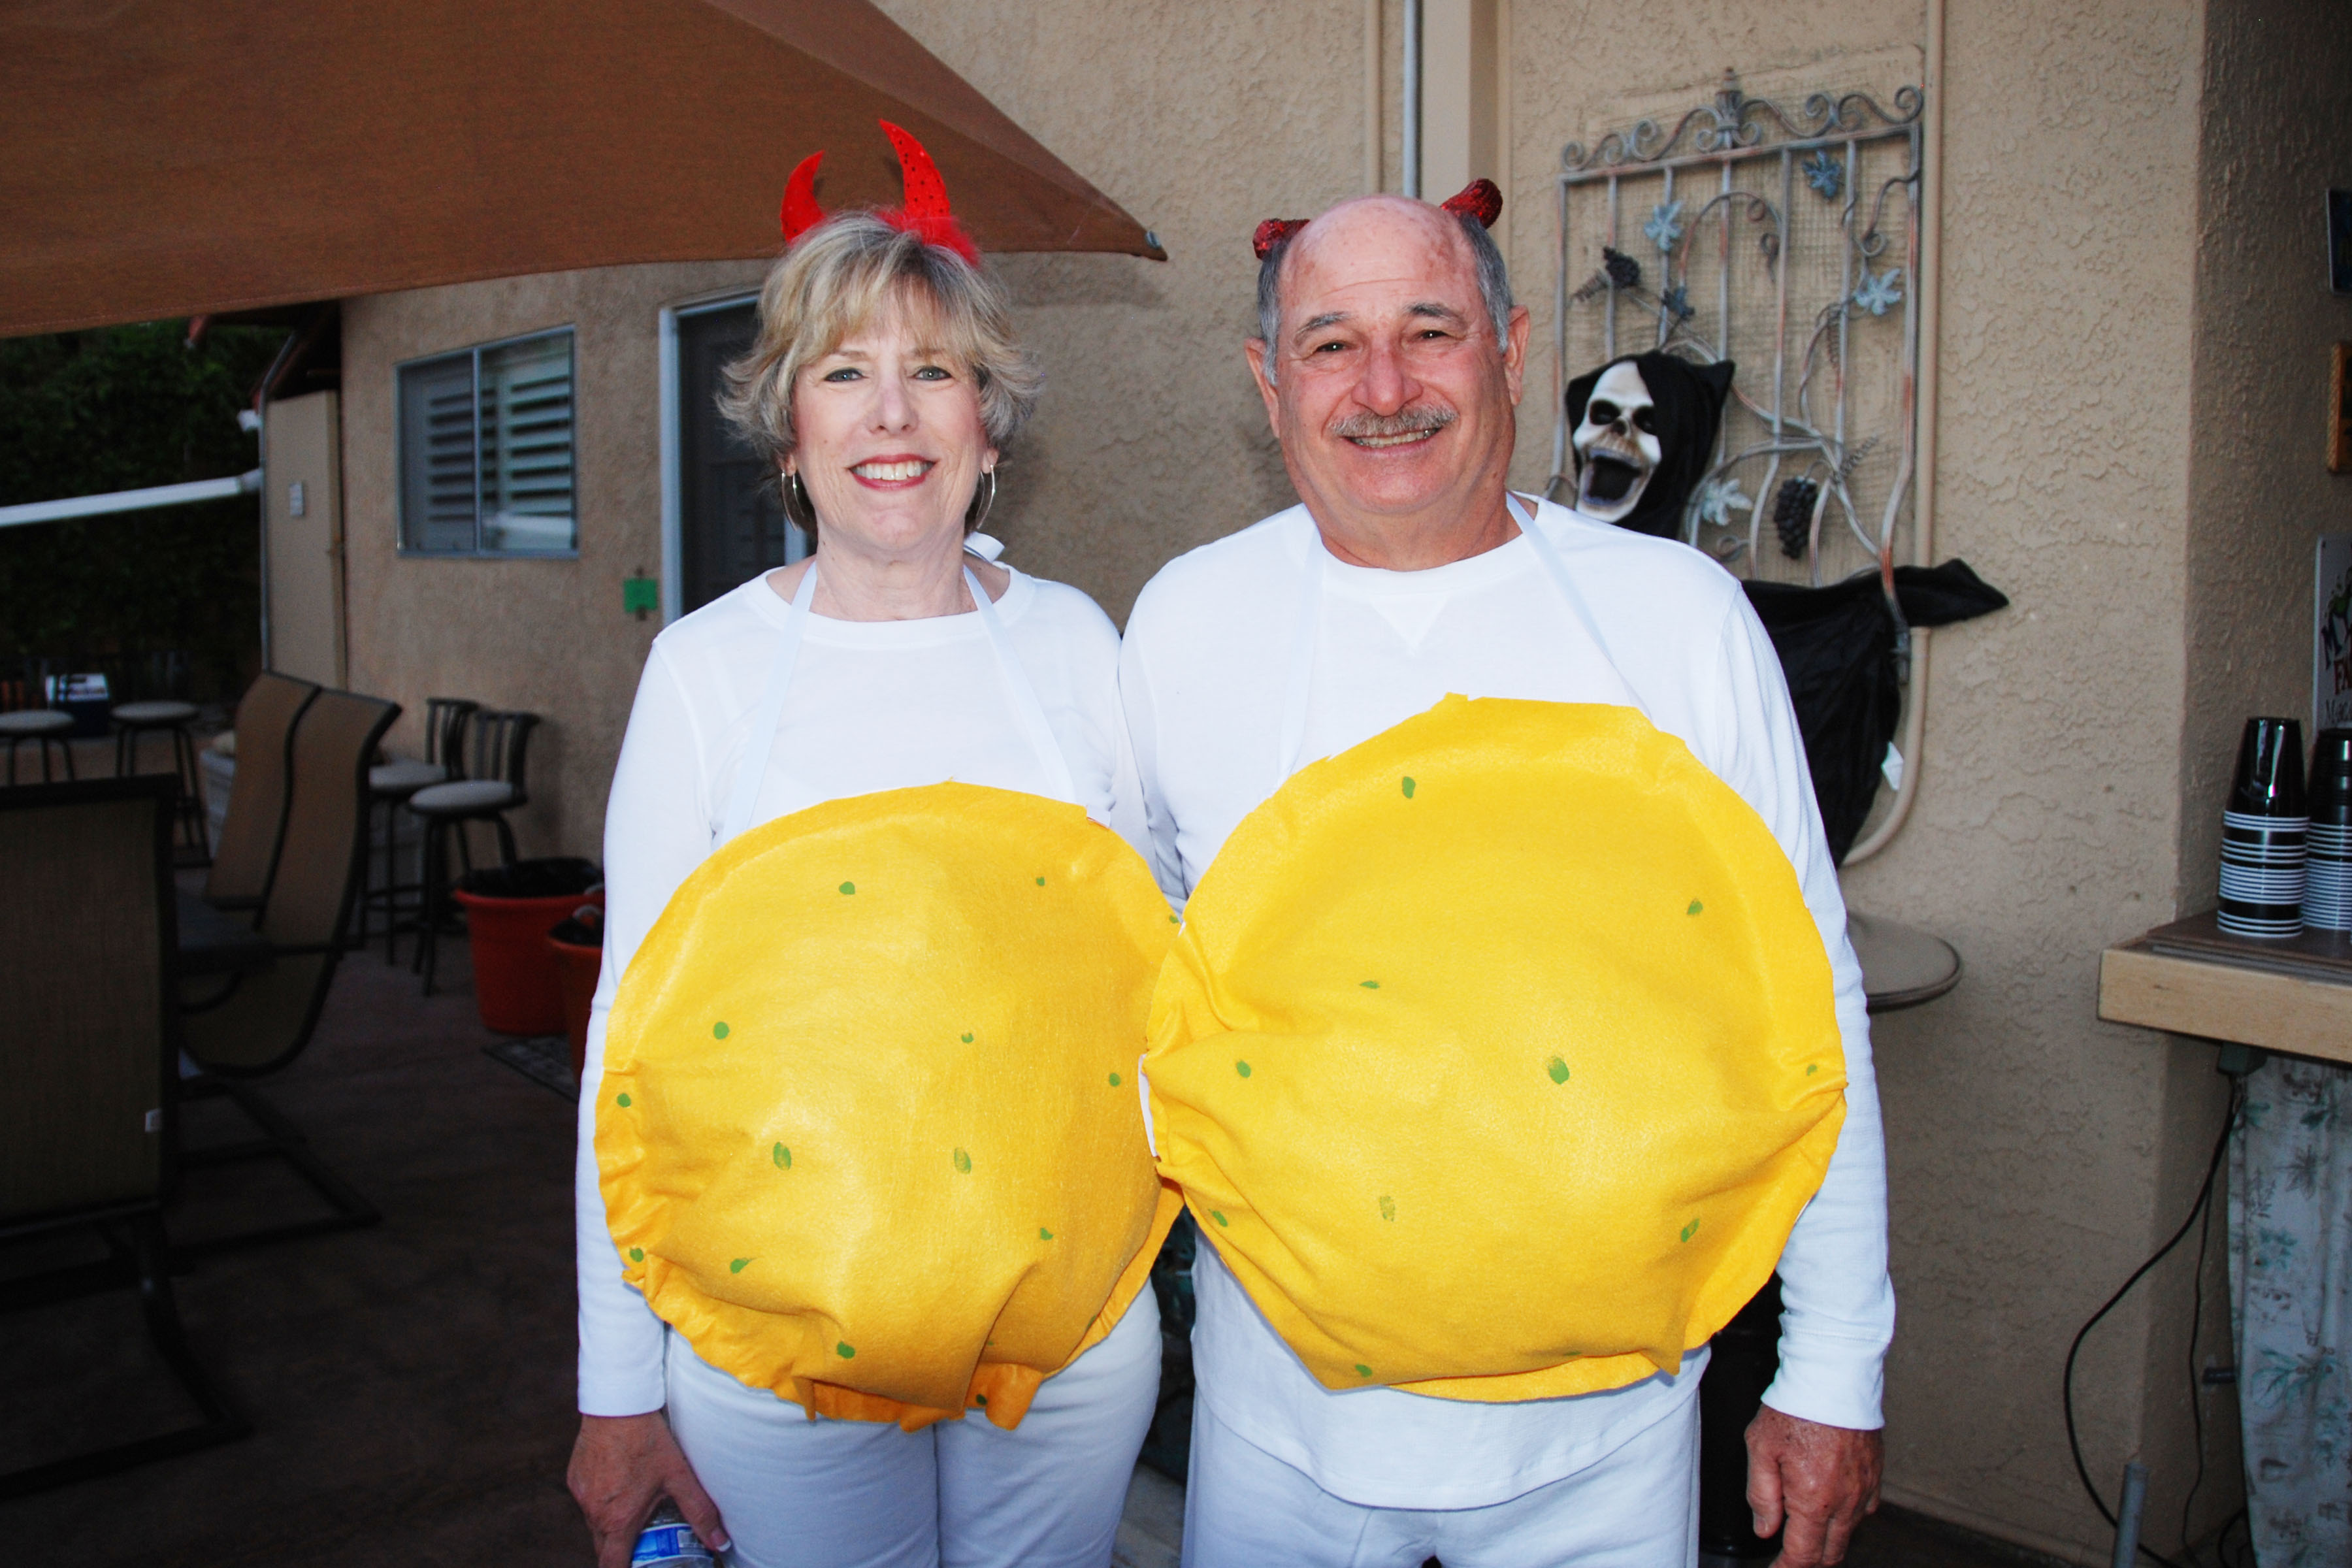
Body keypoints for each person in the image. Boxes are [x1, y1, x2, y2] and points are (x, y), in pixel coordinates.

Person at [1120, 187, 1892, 1567]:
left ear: (1514, 348)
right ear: (1267, 381)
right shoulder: (1185, 623)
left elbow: (1809, 1000)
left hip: (1607, 1442)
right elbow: (1147, 989)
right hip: (1277, 1438)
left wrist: (1834, 1367)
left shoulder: (1679, 622)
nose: (1387, 388)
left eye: (1432, 330)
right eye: (1331, 344)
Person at [568, 130, 1164, 1568]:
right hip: (779, 1348)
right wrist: (616, 1389)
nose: (890, 414)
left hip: (1067, 1339)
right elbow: (624, 1044)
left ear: (990, 423)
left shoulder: (1079, 643)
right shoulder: (707, 672)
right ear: (790, 432)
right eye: (844, 372)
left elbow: (1156, 975)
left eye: (933, 371)